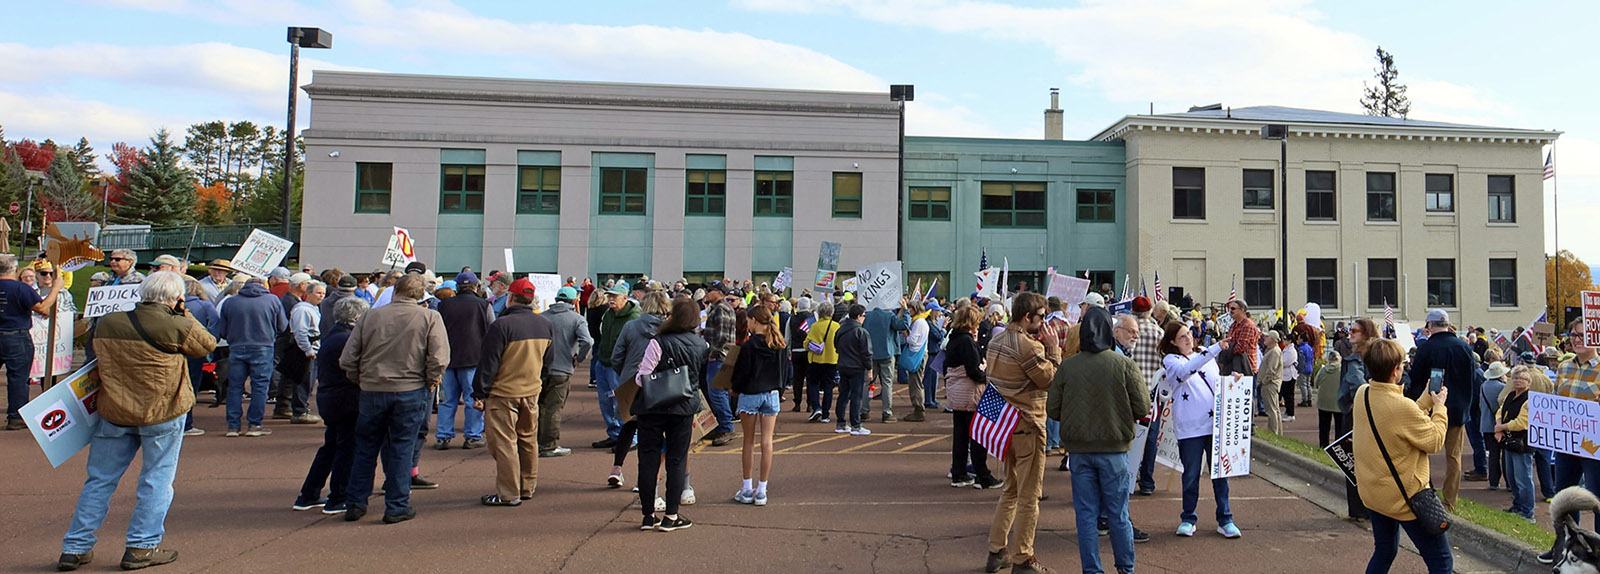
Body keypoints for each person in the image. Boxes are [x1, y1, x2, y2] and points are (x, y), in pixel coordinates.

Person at [56, 271, 216, 572]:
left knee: (99, 480)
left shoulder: (109, 322)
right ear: (176, 298)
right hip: (162, 410)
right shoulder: (178, 325)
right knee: (157, 479)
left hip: (115, 409)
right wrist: (185, 311)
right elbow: (207, 344)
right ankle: (141, 546)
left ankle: (75, 547)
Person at [339, 274, 450, 524]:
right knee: (402, 447)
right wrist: (431, 380)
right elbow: (439, 357)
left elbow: (348, 358)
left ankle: (355, 502)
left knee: (366, 447)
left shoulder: (370, 316)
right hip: (411, 388)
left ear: (396, 290)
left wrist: (361, 379)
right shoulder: (429, 317)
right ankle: (396, 504)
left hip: (373, 388)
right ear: (420, 295)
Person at [1050, 307, 1149, 574]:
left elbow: (1052, 409)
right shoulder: (1124, 364)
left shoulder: (1068, 366)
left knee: (1086, 514)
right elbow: (1142, 407)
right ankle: (1125, 567)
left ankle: (1092, 569)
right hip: (1114, 448)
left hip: (1079, 450)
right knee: (1118, 514)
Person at [1353, 338, 1452, 574]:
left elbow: (1398, 419)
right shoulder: (1401, 407)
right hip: (1405, 497)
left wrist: (1426, 400)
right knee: (1441, 560)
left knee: (1385, 549)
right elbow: (1434, 440)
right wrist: (1439, 407)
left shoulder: (1362, 393)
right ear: (1395, 371)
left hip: (1375, 492)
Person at [983, 292, 1060, 574]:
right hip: (1027, 425)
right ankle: (1023, 558)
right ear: (1028, 317)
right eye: (1041, 317)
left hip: (1004, 425)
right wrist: (1054, 350)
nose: (1044, 323)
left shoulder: (996, 341)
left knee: (1011, 490)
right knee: (1029, 496)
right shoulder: (1029, 347)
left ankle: (997, 551)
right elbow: (1051, 380)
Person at [471, 278, 555, 506]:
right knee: (528, 439)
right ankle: (527, 486)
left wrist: (479, 392)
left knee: (504, 443)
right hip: (531, 390)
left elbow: (488, 363)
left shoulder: (501, 325)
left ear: (510, 297)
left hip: (504, 392)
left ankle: (508, 492)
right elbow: (548, 362)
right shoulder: (545, 324)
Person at [1155, 322, 1241, 539]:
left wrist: (1232, 382)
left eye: (1189, 334)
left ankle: (1225, 518)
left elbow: (1215, 383)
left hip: (1214, 425)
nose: (1188, 339)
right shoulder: (1171, 360)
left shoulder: (1204, 354)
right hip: (1190, 428)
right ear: (1173, 342)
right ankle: (1188, 518)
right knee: (1191, 475)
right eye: (1182, 337)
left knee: (1220, 475)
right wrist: (1214, 349)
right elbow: (1185, 372)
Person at [632, 298, 709, 532]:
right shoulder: (701, 344)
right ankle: (671, 516)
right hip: (683, 406)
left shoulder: (658, 342)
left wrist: (639, 372)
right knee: (677, 460)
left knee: (648, 459)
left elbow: (642, 379)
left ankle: (648, 515)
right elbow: (698, 378)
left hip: (652, 407)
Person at [294, 296, 369, 516]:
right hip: (345, 398)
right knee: (346, 449)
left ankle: (309, 494)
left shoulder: (334, 335)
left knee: (332, 447)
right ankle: (338, 497)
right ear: (357, 317)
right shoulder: (346, 339)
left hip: (331, 397)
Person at [1405, 309, 1476, 511]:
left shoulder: (1427, 348)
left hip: (1430, 407)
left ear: (1430, 325)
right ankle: (1450, 501)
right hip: (1458, 409)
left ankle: (1426, 493)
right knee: (1454, 458)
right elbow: (1472, 378)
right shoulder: (1464, 347)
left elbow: (1416, 379)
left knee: (1422, 454)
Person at [1542, 318, 1600, 564]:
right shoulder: (1564, 367)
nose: (1576, 340)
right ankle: (1564, 547)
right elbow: (1556, 401)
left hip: (1594, 445)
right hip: (1567, 443)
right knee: (1564, 496)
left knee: (1597, 499)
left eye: (1582, 335)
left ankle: (1597, 551)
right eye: (1573, 335)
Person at [607, 291, 671, 492]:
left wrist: (626, 375)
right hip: (659, 383)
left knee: (628, 425)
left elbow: (616, 356)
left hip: (632, 380)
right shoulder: (670, 328)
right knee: (654, 432)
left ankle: (616, 468)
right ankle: (643, 479)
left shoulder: (631, 326)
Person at [211, 277, 286, 437]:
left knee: (235, 386)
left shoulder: (230, 302)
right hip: (263, 346)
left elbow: (222, 330)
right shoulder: (272, 300)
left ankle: (233, 426)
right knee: (260, 386)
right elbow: (282, 326)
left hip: (237, 346)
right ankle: (254, 424)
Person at [730, 305, 789, 506]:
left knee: (748, 441)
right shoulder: (779, 343)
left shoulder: (748, 346)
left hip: (751, 393)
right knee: (767, 441)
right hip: (771, 394)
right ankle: (762, 490)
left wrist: (734, 388)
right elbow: (784, 372)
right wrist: (779, 390)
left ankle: (747, 488)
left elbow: (741, 373)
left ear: (754, 320)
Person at [434, 272, 494, 450]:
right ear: (475, 286)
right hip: (473, 358)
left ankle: (443, 436)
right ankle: (473, 436)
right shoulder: (484, 305)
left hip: (449, 358)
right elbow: (492, 330)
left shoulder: (443, 305)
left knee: (447, 400)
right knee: (472, 399)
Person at [943, 306, 999, 488]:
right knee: (978, 435)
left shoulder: (954, 338)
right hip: (970, 393)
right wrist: (987, 377)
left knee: (960, 436)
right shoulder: (967, 341)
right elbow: (973, 371)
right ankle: (983, 475)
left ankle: (959, 473)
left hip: (957, 393)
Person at [539, 286, 593, 457]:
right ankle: (548, 445)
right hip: (562, 368)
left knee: (539, 406)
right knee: (553, 408)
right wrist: (579, 358)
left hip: (540, 367)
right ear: (574, 301)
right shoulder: (577, 319)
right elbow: (588, 341)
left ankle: (534, 441)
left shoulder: (542, 317)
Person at [1337, 317, 1379, 521]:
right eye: (1350, 330)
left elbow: (1356, 383)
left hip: (1357, 414)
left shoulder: (1355, 360)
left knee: (1352, 460)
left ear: (1366, 334)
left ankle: (1359, 509)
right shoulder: (1379, 355)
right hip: (1376, 412)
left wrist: (1360, 398)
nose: (1350, 334)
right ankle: (1370, 507)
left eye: (1355, 331)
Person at [592, 282, 639, 449]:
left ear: (625, 298)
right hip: (603, 362)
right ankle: (615, 434)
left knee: (623, 402)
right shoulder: (608, 314)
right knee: (605, 401)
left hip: (620, 366)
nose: (611, 299)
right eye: (609, 296)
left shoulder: (633, 317)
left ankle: (631, 438)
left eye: (614, 296)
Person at [1131, 297, 1165, 495]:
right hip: (1153, 392)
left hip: (1130, 391)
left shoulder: (1127, 330)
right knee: (1151, 438)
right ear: (1150, 311)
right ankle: (1147, 481)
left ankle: (1129, 476)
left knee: (1130, 435)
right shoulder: (1158, 332)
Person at [282, 280, 326, 425]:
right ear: (308, 293)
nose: (321, 296)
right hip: (304, 350)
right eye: (318, 293)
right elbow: (300, 332)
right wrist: (308, 350)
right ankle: (300, 411)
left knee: (309, 381)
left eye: (323, 293)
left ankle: (301, 408)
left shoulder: (314, 308)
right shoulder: (302, 310)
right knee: (303, 381)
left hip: (313, 348)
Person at [1495, 364, 1536, 521]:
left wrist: (1501, 427)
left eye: (1522, 378)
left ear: (1528, 382)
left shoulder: (1530, 399)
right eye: (1516, 378)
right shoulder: (1510, 395)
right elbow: (1500, 411)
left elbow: (1522, 422)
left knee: (1523, 479)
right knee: (1511, 477)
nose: (1518, 381)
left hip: (1523, 443)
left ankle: (1528, 511)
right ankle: (1517, 505)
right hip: (1509, 441)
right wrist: (1499, 427)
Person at [180, 278, 217, 436]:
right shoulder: (205, 306)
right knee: (191, 386)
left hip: (176, 349)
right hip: (196, 350)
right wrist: (209, 346)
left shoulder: (174, 305)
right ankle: (186, 423)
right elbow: (215, 326)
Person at [701, 290, 739, 445]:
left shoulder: (720, 308)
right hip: (725, 354)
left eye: (709, 290)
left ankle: (726, 427)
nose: (706, 293)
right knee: (720, 392)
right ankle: (722, 426)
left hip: (719, 356)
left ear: (718, 292)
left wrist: (713, 353)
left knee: (717, 393)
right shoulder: (724, 307)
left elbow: (722, 336)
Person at [863, 303, 909, 423]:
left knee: (867, 383)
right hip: (887, 353)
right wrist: (905, 311)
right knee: (887, 383)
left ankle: (864, 411)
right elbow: (903, 325)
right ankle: (887, 413)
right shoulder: (889, 315)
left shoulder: (867, 315)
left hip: (870, 353)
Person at [834, 303, 873, 436]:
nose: (864, 318)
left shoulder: (840, 330)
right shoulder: (861, 332)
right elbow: (866, 353)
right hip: (856, 367)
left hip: (843, 365)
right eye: (863, 316)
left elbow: (836, 346)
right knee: (856, 396)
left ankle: (841, 423)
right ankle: (856, 425)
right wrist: (869, 368)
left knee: (843, 395)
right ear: (858, 316)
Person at [805, 301, 840, 424]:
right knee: (829, 386)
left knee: (813, 383)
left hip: (816, 360)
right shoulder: (836, 326)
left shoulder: (815, 326)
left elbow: (806, 343)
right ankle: (826, 414)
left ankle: (816, 407)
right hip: (832, 360)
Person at [896, 299, 930, 422]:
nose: (909, 311)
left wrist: (906, 334)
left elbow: (912, 340)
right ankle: (918, 408)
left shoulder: (919, 322)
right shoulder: (921, 321)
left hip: (917, 354)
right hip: (920, 353)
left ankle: (918, 409)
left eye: (910, 309)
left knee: (916, 383)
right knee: (916, 381)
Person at [1478, 360, 1509, 492]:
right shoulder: (1503, 387)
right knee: (1505, 455)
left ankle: (1493, 482)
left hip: (1486, 424)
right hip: (1501, 424)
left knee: (1493, 454)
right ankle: (1509, 482)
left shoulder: (1483, 386)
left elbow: (1481, 405)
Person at [787, 297, 814, 413]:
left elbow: (787, 336)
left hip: (796, 351)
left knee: (797, 379)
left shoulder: (792, 318)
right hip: (809, 351)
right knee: (810, 379)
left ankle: (797, 403)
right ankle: (810, 404)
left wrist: (789, 350)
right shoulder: (812, 318)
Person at [1313, 349, 1344, 448]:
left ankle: (1323, 446)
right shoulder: (1342, 370)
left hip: (1323, 401)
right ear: (1339, 359)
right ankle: (1338, 447)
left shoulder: (1323, 370)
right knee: (1339, 427)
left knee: (1324, 426)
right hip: (1338, 402)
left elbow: (1316, 383)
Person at [1259, 331, 1285, 434]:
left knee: (1271, 410)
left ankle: (1273, 432)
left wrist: (1264, 381)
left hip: (1270, 384)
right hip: (1271, 383)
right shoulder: (1272, 350)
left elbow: (1271, 370)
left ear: (1273, 339)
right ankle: (1277, 432)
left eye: (1267, 337)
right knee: (1275, 409)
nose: (1264, 338)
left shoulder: (1274, 352)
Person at [1279, 332, 1299, 422]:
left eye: (1285, 339)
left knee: (1289, 395)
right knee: (1285, 394)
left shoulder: (1291, 351)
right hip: (1285, 375)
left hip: (1290, 375)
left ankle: (1291, 414)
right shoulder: (1287, 349)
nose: (1283, 341)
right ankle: (1288, 411)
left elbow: (1285, 362)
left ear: (1290, 341)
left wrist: (1279, 363)